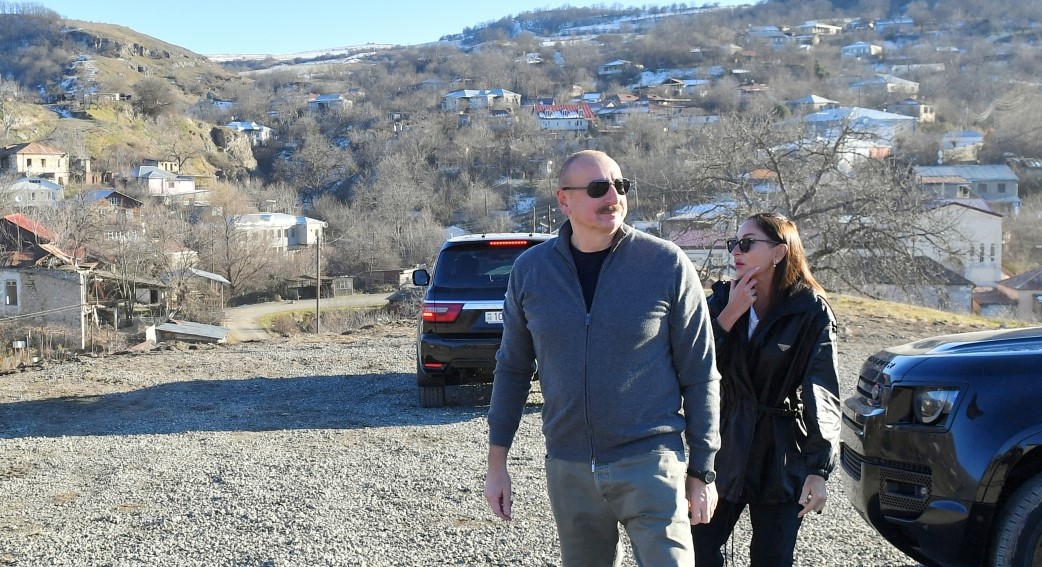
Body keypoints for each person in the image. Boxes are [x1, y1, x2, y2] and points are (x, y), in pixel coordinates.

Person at [484, 150, 722, 566]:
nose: (613, 195)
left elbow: (701, 374)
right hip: (569, 467)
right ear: (564, 200)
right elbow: (513, 369)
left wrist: (702, 470)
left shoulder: (666, 263)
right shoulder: (531, 271)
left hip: (652, 461)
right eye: (598, 188)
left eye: (620, 185)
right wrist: (497, 464)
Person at [691, 212, 841, 567]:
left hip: (781, 453)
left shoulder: (810, 311)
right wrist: (729, 315)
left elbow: (822, 390)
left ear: (779, 252)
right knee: (697, 548)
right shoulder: (720, 300)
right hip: (725, 445)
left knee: (772, 557)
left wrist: (819, 469)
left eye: (746, 243)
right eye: (733, 244)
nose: (736, 252)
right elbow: (694, 367)